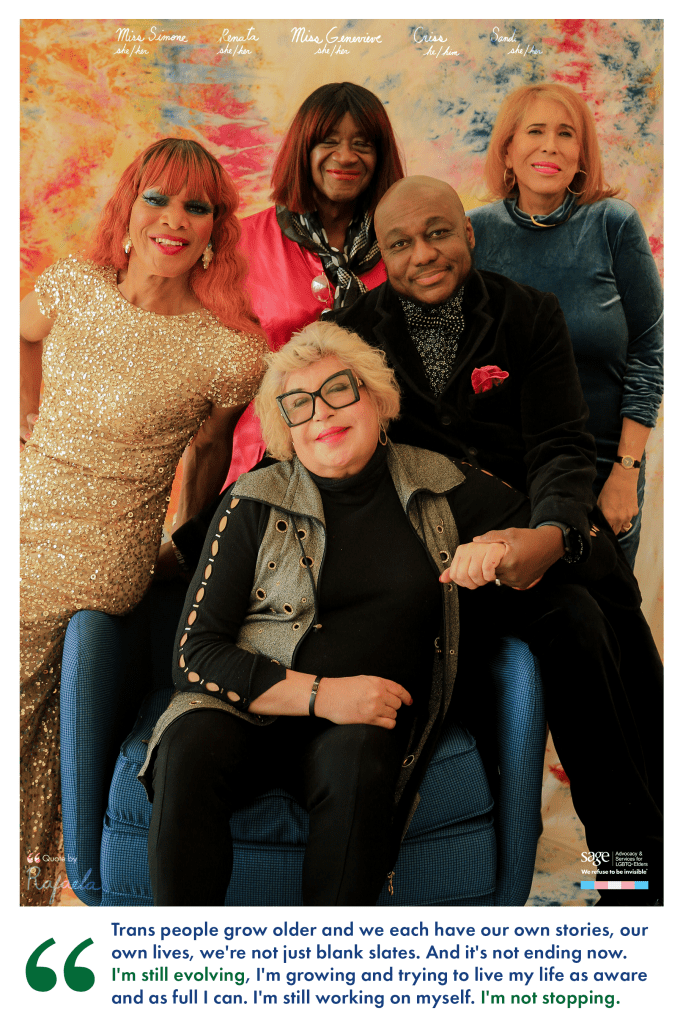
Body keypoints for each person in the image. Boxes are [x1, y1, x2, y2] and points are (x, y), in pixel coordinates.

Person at [141, 322, 661, 907]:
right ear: (285, 429)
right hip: (247, 706)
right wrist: (322, 694)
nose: (321, 412)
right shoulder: (252, 500)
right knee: (187, 745)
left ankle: (331, 959)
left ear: (377, 398)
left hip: (363, 722)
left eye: (339, 389)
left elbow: (580, 549)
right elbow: (194, 656)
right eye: (299, 404)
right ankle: (183, 953)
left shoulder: (441, 485)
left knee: (363, 757)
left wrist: (516, 546)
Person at [331, 176, 662, 904]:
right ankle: (638, 884)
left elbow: (560, 445)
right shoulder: (351, 336)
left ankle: (634, 882)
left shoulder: (528, 312)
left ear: (469, 234)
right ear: (381, 256)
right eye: (400, 243)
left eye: (437, 233)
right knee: (581, 622)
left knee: (611, 645)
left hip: (538, 531)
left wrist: (548, 535)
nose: (423, 254)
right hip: (438, 566)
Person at [20, 137, 267, 905]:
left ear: (216, 229)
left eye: (196, 207)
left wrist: (183, 548)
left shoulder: (229, 352)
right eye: (156, 198)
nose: (173, 219)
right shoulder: (69, 285)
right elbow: (22, 336)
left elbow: (209, 456)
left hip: (98, 553)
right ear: (127, 209)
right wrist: (26, 417)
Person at [467, 82, 663, 568]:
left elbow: (647, 353)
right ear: (507, 151)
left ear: (581, 154)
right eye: (535, 131)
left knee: (606, 606)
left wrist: (626, 472)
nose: (550, 146)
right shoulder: (475, 233)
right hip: (507, 472)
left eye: (566, 134)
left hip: (605, 470)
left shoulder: (613, 224)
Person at [227, 81, 404, 481]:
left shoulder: (402, 242)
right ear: (303, 149)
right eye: (329, 141)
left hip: (384, 452)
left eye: (362, 143)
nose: (346, 156)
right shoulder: (240, 244)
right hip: (269, 454)